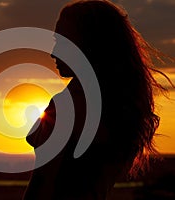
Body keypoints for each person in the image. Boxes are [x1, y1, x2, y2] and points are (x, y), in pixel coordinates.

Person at [23, 0, 174, 199]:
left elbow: (43, 185)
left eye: (62, 41)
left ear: (88, 44)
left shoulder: (71, 106)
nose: (53, 52)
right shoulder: (119, 106)